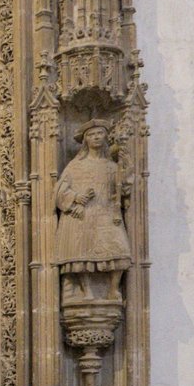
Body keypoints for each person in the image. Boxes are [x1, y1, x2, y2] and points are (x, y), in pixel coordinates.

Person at [54, 120, 132, 298]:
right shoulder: (75, 166)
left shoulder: (112, 167)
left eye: (99, 133)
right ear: (85, 140)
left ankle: (113, 289)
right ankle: (86, 290)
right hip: (84, 216)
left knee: (120, 248)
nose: (96, 137)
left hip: (106, 213)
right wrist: (75, 197)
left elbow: (124, 189)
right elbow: (59, 191)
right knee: (82, 251)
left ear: (105, 137)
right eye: (91, 134)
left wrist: (126, 166)